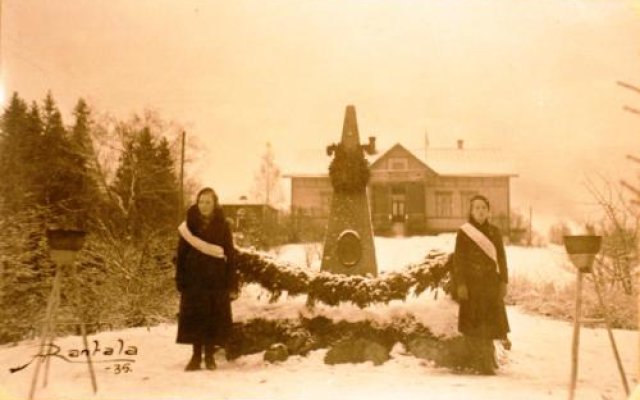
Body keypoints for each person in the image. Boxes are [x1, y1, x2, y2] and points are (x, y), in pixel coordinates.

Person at [175, 187, 239, 371]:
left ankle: (209, 356)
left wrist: (231, 282)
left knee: (212, 317)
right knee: (195, 317)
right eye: (201, 201)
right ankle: (195, 357)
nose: (203, 205)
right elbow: (181, 254)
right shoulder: (188, 225)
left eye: (208, 202)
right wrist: (180, 278)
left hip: (215, 279)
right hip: (193, 278)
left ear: (215, 204)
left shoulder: (223, 225)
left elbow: (230, 254)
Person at [452, 195, 510, 375]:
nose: (480, 211)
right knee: (474, 326)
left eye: (483, 208)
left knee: (490, 325)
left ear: (488, 211)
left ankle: (488, 361)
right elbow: (458, 260)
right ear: (471, 211)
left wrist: (504, 281)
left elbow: (501, 258)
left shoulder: (495, 232)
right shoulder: (464, 232)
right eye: (476, 208)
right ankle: (478, 363)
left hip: (490, 285)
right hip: (472, 285)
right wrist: (461, 284)